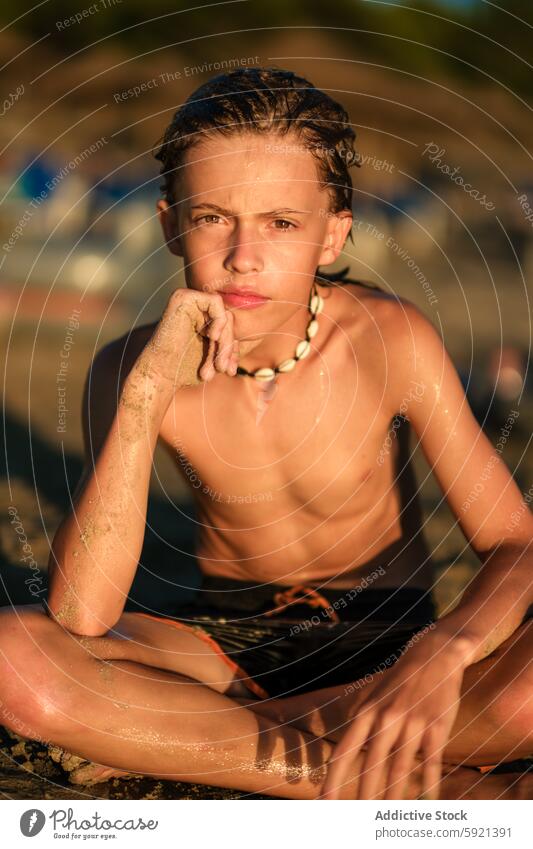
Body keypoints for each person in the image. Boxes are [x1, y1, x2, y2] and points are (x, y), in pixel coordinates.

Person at [1, 67, 532, 801]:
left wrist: (443, 650)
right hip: (224, 640)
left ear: (330, 234)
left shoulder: (389, 339)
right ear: (168, 224)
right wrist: (145, 397)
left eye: (281, 223)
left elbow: (515, 543)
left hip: (388, 631)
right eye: (213, 216)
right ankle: (368, 770)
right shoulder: (125, 369)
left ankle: (221, 737)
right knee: (16, 656)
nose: (243, 254)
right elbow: (81, 616)